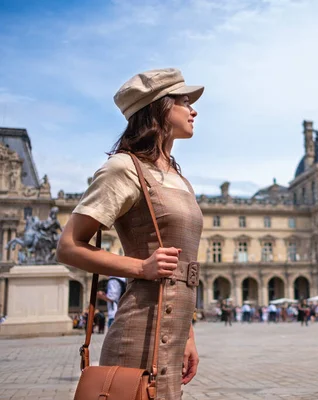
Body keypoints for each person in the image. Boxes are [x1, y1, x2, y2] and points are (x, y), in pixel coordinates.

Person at [56, 68, 204, 399]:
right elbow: (68, 246)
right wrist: (139, 267)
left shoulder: (178, 178)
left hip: (173, 331)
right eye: (184, 101)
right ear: (160, 107)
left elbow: (178, 272)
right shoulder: (123, 168)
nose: (193, 109)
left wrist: (188, 335)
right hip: (139, 332)